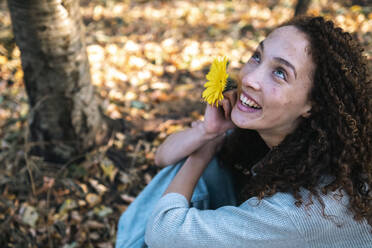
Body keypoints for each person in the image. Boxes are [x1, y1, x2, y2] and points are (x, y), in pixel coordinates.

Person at [116, 16, 372, 248]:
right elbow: (163, 159)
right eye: (257, 56)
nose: (250, 78)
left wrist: (200, 156)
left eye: (280, 73)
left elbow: (164, 235)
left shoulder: (303, 210)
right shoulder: (289, 138)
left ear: (313, 104)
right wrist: (207, 132)